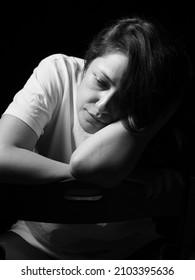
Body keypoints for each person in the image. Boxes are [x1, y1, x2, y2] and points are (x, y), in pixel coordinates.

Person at [0, 16, 191, 259]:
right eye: (100, 81)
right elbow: (2, 155)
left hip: (130, 249)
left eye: (125, 98)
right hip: (38, 243)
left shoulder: (143, 113)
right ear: (87, 64)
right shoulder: (59, 73)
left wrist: (146, 115)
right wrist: (109, 177)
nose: (103, 106)